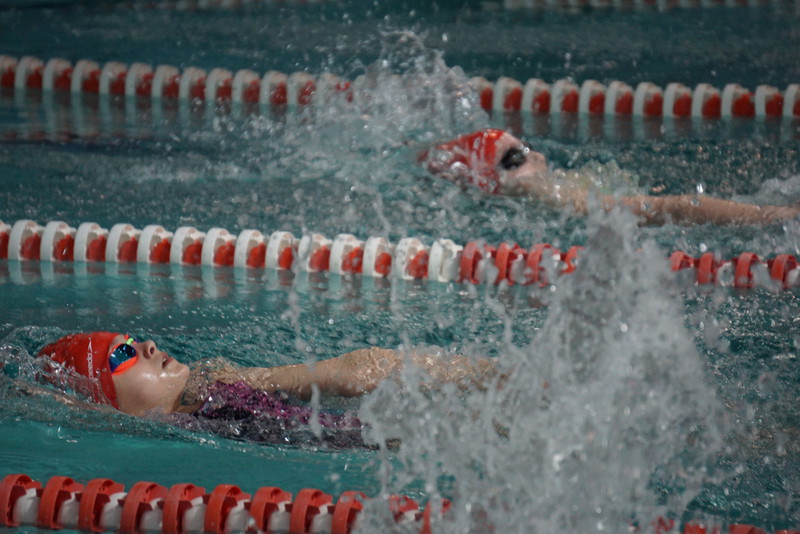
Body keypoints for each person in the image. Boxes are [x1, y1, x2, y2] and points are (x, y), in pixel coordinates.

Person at [36, 332, 497, 448]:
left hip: (385, 436)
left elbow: (348, 371)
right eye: (123, 355)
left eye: (136, 340)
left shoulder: (209, 384)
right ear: (98, 399)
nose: (148, 344)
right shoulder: (167, 417)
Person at [420, 129, 800, 225]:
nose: (537, 155)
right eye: (518, 155)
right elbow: (681, 207)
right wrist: (775, 215)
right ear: (494, 180)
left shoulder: (540, 185)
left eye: (527, 144)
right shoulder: (543, 192)